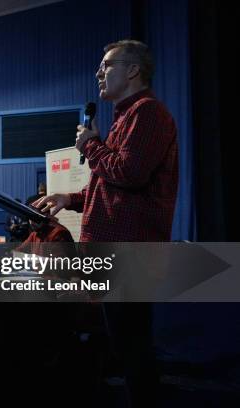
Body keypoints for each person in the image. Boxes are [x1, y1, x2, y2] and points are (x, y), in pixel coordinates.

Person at [34, 40, 178, 406]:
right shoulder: (123, 120)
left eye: (107, 65)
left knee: (132, 348)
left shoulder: (147, 113)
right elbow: (109, 186)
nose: (99, 72)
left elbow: (129, 173)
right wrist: (70, 198)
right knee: (123, 343)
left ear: (133, 70)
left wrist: (90, 147)